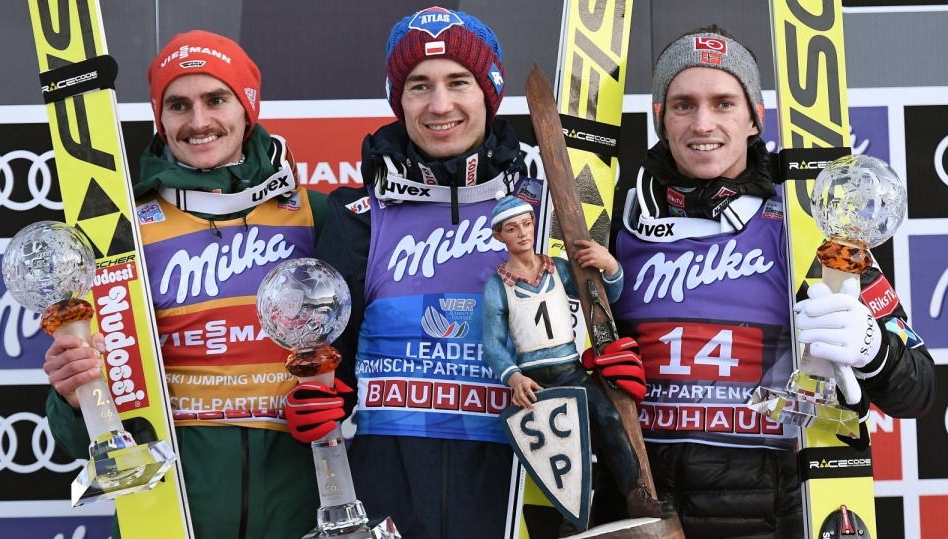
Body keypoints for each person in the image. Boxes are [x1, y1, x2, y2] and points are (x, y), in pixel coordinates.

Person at [603, 25, 937, 538]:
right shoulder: (616, 219)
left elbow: (920, 391)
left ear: (755, 118)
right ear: (660, 119)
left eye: (724, 103)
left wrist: (874, 351)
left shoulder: (808, 226)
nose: (703, 123)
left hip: (767, 510)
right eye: (683, 105)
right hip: (641, 503)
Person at [42, 30, 329, 539]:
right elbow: (81, 430)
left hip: (299, 508)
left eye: (216, 99)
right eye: (178, 105)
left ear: (247, 107)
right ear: (161, 118)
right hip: (167, 512)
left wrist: (337, 394)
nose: (198, 122)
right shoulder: (120, 231)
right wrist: (73, 393)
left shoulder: (315, 214)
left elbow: (369, 350)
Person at [289, 6, 543, 538]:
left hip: (516, 498)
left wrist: (602, 373)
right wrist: (316, 398)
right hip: (387, 507)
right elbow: (327, 370)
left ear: (489, 94)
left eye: (459, 82)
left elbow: (578, 360)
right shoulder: (359, 217)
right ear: (398, 100)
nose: (440, 104)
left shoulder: (542, 214)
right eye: (418, 86)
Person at [481, 194, 672, 536]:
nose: (523, 234)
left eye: (526, 224)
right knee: (560, 448)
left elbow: (603, 297)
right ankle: (575, 516)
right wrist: (513, 377)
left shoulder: (558, 269)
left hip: (571, 368)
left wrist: (610, 266)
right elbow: (493, 343)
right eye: (512, 228)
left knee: (609, 419)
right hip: (536, 380)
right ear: (499, 236)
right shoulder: (498, 286)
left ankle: (635, 494)